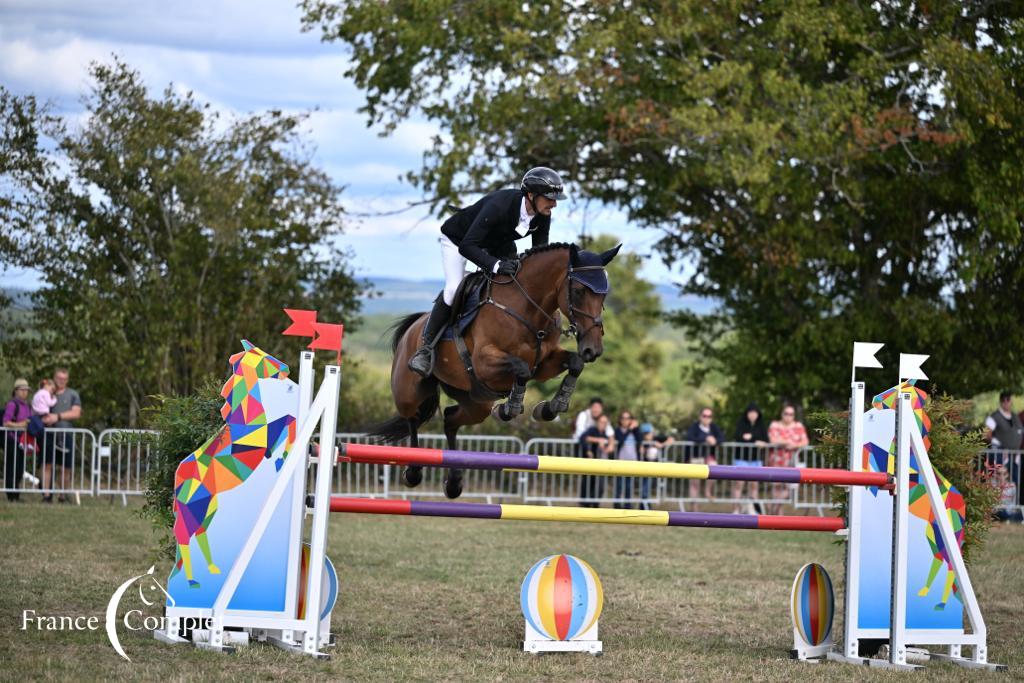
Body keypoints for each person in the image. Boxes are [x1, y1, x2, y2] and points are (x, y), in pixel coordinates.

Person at [407, 167, 566, 376]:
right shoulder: (499, 206)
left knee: (515, 283)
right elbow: (467, 246)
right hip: (459, 240)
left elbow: (539, 253)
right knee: (454, 288)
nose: (553, 204)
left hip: (497, 243)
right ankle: (425, 349)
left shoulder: (542, 214)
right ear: (530, 195)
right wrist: (496, 265)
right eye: (549, 198)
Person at [41, 368, 82, 504]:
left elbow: (76, 413)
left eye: (64, 379)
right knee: (47, 465)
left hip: (66, 435)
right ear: (54, 378)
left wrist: (57, 417)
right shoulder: (46, 393)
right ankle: (46, 496)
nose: (61, 381)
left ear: (67, 380)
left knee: (65, 467)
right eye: (59, 378)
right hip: (48, 434)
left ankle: (62, 495)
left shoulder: (73, 394)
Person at [767, 403, 809, 515]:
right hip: (777, 460)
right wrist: (786, 442)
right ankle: (778, 513)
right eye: (786, 413)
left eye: (791, 414)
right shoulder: (775, 425)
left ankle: (773, 506)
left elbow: (805, 441)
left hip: (792, 461)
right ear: (782, 414)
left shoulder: (798, 426)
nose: (788, 416)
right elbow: (773, 440)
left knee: (790, 488)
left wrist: (794, 445)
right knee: (776, 486)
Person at [984, 392, 1023, 508]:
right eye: (1004, 400)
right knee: (998, 479)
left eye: (1008, 400)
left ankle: (1015, 508)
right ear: (1001, 401)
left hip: (1015, 455)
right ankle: (995, 507)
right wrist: (998, 445)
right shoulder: (995, 416)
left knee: (1016, 480)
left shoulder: (1015, 417)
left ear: (1011, 401)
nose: (1006, 402)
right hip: (1001, 454)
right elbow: (986, 433)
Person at [732, 402, 769, 513]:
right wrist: (755, 440)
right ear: (747, 414)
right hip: (741, 459)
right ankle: (736, 509)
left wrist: (751, 438)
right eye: (750, 412)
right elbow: (738, 437)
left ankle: (752, 509)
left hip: (755, 460)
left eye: (755, 413)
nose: (752, 415)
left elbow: (766, 441)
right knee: (739, 484)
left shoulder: (761, 425)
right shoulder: (741, 423)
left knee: (754, 486)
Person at [684, 407, 724, 501]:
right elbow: (689, 437)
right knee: (695, 483)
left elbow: (722, 438)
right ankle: (694, 510)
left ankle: (707, 491)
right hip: (695, 457)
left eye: (709, 416)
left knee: (715, 470)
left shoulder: (714, 427)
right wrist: (705, 439)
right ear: (700, 417)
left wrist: (715, 441)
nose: (707, 418)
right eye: (704, 416)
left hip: (708, 457)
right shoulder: (694, 426)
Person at [3, 379, 32, 502]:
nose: (25, 392)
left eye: (26, 390)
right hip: (12, 439)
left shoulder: (27, 405)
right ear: (16, 391)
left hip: (22, 441)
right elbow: (6, 422)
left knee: (19, 469)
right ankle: (11, 496)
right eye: (22, 390)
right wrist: (21, 425)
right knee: (12, 468)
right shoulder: (12, 404)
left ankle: (16, 494)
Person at [579, 414, 614, 507]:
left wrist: (608, 447)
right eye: (601, 422)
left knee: (600, 485)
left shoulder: (607, 434)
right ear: (597, 422)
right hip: (590, 462)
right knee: (588, 483)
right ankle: (585, 504)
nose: (603, 424)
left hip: (601, 463)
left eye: (605, 422)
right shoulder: (592, 430)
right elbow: (583, 437)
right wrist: (597, 440)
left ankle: (595, 504)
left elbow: (610, 446)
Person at [612, 410, 644, 509]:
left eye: (628, 418)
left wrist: (636, 428)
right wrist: (629, 429)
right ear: (620, 420)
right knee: (619, 484)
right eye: (623, 418)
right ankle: (617, 504)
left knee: (629, 485)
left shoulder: (634, 430)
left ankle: (628, 504)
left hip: (632, 461)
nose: (625, 420)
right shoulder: (618, 430)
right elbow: (621, 440)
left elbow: (640, 439)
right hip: (620, 460)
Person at [639, 423, 673, 510]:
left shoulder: (657, 438)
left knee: (648, 487)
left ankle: (646, 505)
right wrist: (642, 449)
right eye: (645, 433)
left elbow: (671, 439)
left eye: (649, 433)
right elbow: (640, 451)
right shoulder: (641, 441)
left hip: (654, 468)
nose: (647, 435)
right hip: (644, 468)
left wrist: (662, 445)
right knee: (645, 487)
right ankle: (644, 506)